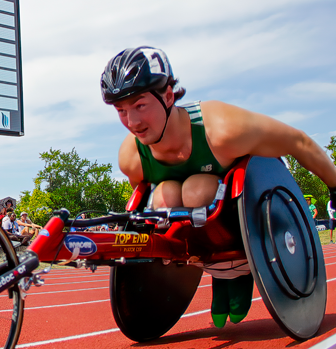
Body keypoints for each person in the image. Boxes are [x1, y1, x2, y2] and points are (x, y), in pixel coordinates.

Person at [99, 46, 336, 328]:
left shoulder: (222, 128)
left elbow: (299, 142)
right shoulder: (131, 158)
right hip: (201, 237)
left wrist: (334, 187)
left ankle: (240, 271)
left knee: (196, 190)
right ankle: (220, 271)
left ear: (168, 96)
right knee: (163, 198)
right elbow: (142, 204)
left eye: (140, 106)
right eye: (121, 111)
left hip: (252, 212)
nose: (133, 123)